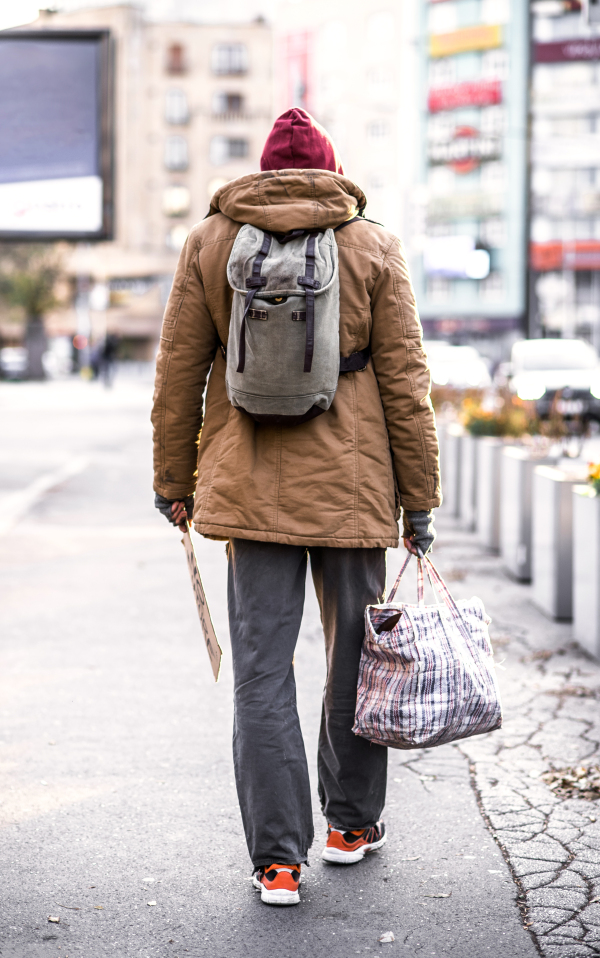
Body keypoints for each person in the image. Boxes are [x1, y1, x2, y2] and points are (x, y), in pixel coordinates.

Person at [152, 108, 441, 907]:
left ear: (263, 171)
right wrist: (419, 502)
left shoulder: (213, 241)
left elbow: (179, 372)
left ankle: (278, 860)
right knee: (357, 658)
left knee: (261, 672)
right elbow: (406, 386)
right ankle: (350, 824)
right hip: (352, 491)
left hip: (248, 492)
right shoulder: (372, 242)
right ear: (329, 169)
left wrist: (174, 480)